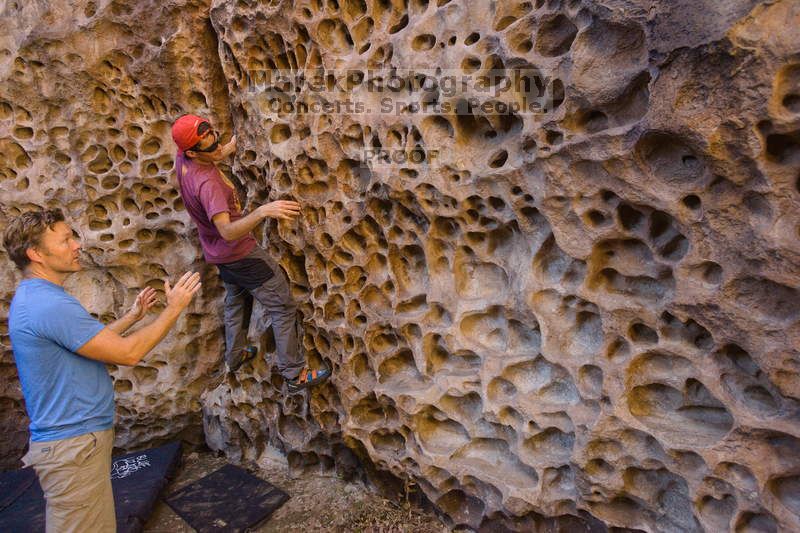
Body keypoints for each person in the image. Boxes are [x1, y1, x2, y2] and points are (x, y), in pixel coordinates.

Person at [4, 208, 201, 533]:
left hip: (73, 445)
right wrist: (175, 308)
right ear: (36, 253)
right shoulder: (48, 305)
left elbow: (90, 344)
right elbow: (129, 353)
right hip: (72, 447)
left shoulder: (38, 298)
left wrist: (133, 316)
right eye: (66, 239)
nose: (76, 245)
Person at [170, 114, 329, 390]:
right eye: (204, 138)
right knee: (282, 306)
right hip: (240, 253)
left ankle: (235, 356)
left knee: (236, 300)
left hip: (218, 255)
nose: (212, 137)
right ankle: (293, 375)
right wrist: (263, 211)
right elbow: (228, 231)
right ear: (193, 151)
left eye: (209, 129)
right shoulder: (209, 186)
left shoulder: (183, 160)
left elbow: (206, 159)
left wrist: (225, 150)